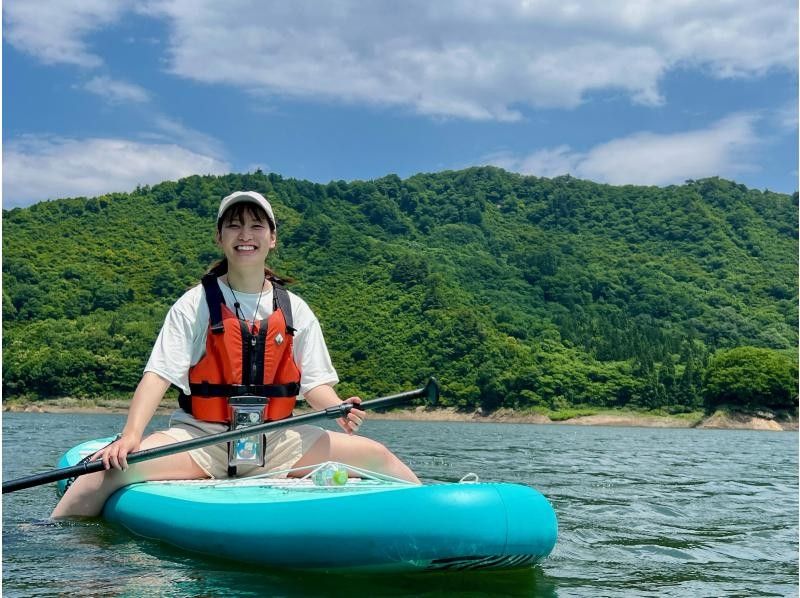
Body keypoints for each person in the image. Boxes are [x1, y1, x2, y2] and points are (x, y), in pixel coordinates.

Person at [52, 191, 419, 518]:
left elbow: (315, 385)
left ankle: (444, 527)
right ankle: (56, 555)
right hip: (202, 440)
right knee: (106, 471)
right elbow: (158, 374)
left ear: (272, 238)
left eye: (257, 226)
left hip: (278, 441)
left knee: (379, 456)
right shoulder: (194, 304)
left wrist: (339, 407)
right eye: (234, 226)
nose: (246, 235)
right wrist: (131, 435)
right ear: (220, 237)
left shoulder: (295, 310)